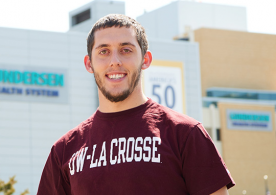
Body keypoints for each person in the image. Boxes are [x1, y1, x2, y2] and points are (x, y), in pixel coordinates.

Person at [37, 14, 235, 195]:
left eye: (126, 50)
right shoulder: (64, 150)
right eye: (103, 51)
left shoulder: (186, 134)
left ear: (145, 59)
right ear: (89, 64)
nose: (115, 61)